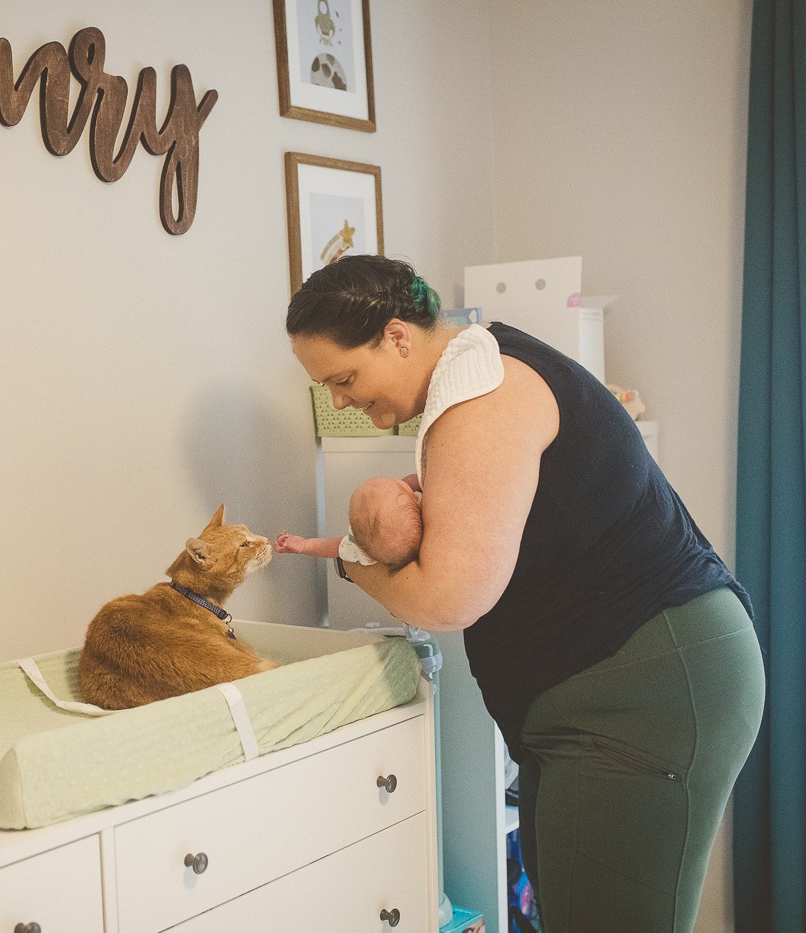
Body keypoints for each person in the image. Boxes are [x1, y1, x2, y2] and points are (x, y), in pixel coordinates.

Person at [285, 255, 764, 933]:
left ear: (396, 336)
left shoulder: (483, 396)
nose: (339, 401)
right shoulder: (479, 375)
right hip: (611, 693)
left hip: (647, 692)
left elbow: (447, 597)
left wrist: (355, 563)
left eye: (344, 378)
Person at [276, 474, 423, 569]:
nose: (405, 481)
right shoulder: (422, 511)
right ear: (415, 501)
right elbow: (414, 482)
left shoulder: (365, 546)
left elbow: (333, 546)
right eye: (401, 485)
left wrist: (304, 545)